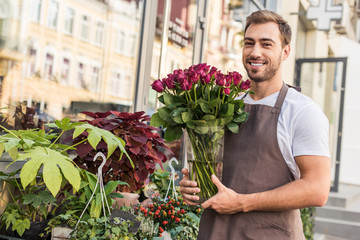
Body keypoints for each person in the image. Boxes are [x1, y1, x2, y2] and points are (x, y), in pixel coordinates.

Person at [179, 10, 331, 240]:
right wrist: (194, 185)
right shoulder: (223, 104)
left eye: (266, 44)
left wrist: (241, 203)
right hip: (215, 233)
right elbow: (215, 168)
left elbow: (317, 190)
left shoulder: (301, 111)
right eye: (249, 43)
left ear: (285, 51)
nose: (255, 52)